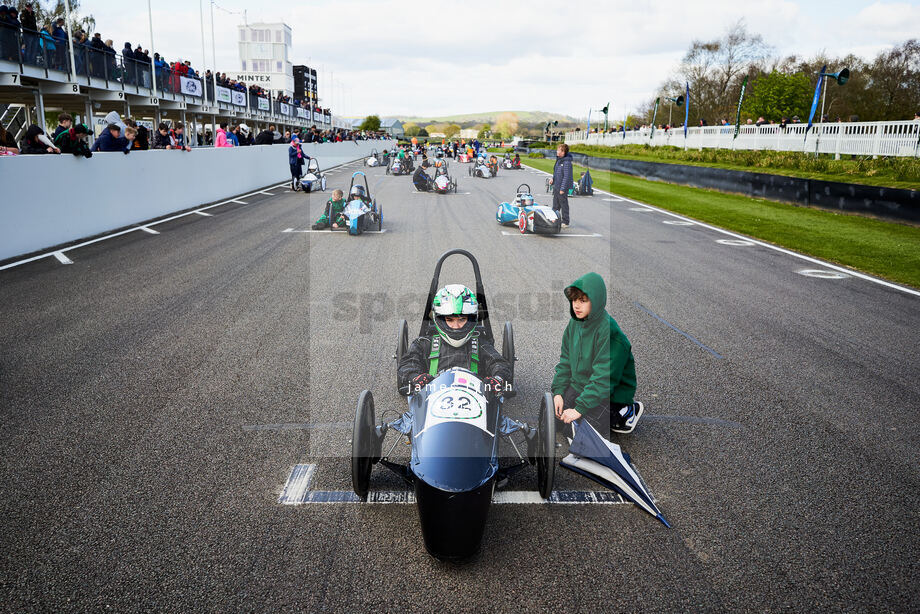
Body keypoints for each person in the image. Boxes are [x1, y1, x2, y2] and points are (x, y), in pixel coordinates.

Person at [552, 273, 643, 439]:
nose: (577, 306)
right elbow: (565, 361)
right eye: (574, 300)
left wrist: (579, 409)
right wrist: (558, 392)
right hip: (582, 384)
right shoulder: (574, 324)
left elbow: (604, 378)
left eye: (583, 300)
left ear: (596, 300)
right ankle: (585, 407)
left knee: (577, 435)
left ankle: (625, 411)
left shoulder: (609, 333)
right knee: (555, 419)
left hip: (610, 393)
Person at [397, 285, 511, 396]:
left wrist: (497, 379)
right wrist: (415, 377)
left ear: (472, 319)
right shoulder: (425, 344)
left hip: (474, 396)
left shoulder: (479, 343)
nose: (456, 326)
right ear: (439, 319)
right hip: (433, 398)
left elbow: (499, 363)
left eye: (462, 319)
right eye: (449, 320)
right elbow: (407, 364)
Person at [551, 143, 572, 228]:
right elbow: (556, 172)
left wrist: (563, 188)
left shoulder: (567, 162)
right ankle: (554, 219)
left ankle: (565, 221)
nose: (557, 151)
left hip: (562, 187)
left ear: (563, 152)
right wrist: (553, 179)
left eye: (558, 150)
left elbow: (567, 176)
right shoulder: (559, 160)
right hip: (556, 185)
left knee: (563, 205)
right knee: (555, 204)